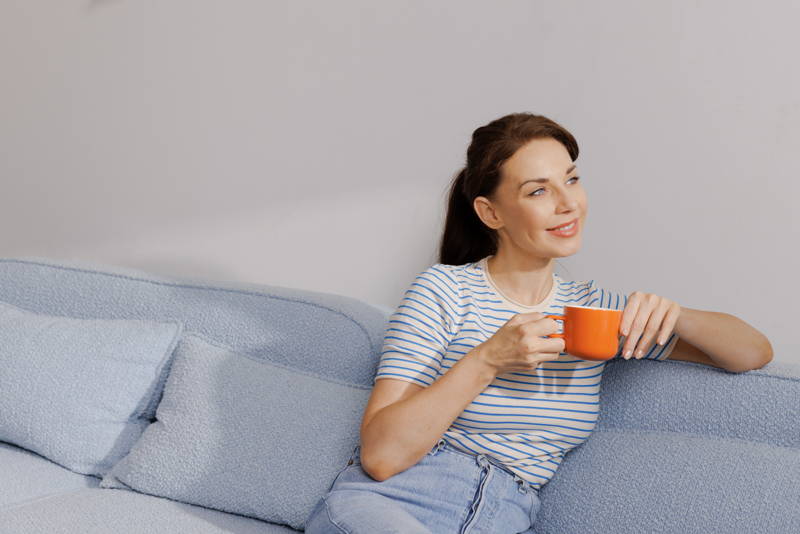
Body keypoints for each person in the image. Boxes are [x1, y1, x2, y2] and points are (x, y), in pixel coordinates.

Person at [305, 112, 773, 534]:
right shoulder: (445, 291)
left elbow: (752, 353)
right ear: (491, 213)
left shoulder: (595, 313)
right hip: (394, 504)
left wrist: (678, 315)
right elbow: (382, 456)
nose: (567, 203)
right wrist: (488, 359)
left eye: (571, 180)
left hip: (505, 513)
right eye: (538, 191)